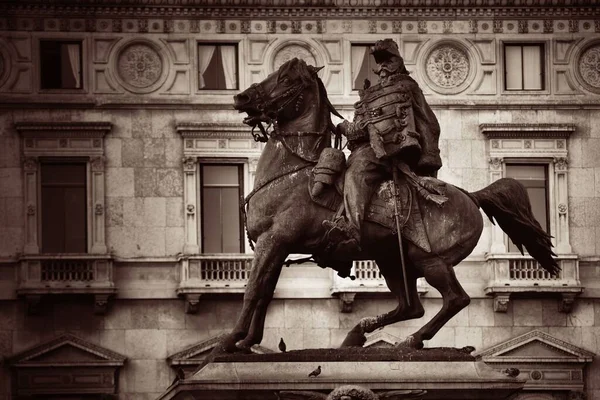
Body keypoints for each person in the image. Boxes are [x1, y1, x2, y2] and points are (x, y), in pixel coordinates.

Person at [323, 39, 442, 254]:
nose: (383, 68)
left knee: (357, 172)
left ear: (398, 63)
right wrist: (343, 127)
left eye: (389, 61)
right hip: (366, 147)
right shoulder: (368, 98)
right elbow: (360, 129)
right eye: (380, 64)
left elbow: (428, 121)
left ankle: (353, 230)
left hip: (389, 152)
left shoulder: (407, 87)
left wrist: (428, 157)